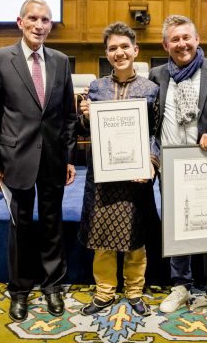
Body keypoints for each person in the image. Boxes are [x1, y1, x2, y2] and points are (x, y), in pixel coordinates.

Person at [0, 0, 77, 322]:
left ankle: (53, 286)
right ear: (20, 22)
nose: (40, 25)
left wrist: (68, 156)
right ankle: (20, 290)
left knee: (53, 225)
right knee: (19, 227)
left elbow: (68, 115)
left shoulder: (62, 61)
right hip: (14, 159)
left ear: (51, 25)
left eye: (46, 20)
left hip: (53, 159)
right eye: (33, 18)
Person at [150, 15, 207, 324]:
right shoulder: (156, 75)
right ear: (166, 45)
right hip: (171, 167)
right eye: (174, 39)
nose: (182, 44)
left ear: (197, 38)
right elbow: (150, 122)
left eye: (186, 37)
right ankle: (180, 286)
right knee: (176, 227)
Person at [77, 22, 159, 317]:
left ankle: (135, 291)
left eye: (125, 46)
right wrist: (84, 115)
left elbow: (156, 133)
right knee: (102, 237)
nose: (119, 52)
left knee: (135, 236)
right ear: (106, 53)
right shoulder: (96, 88)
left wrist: (150, 162)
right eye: (113, 48)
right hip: (103, 176)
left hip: (135, 176)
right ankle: (104, 292)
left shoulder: (151, 89)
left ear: (135, 50)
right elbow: (87, 129)